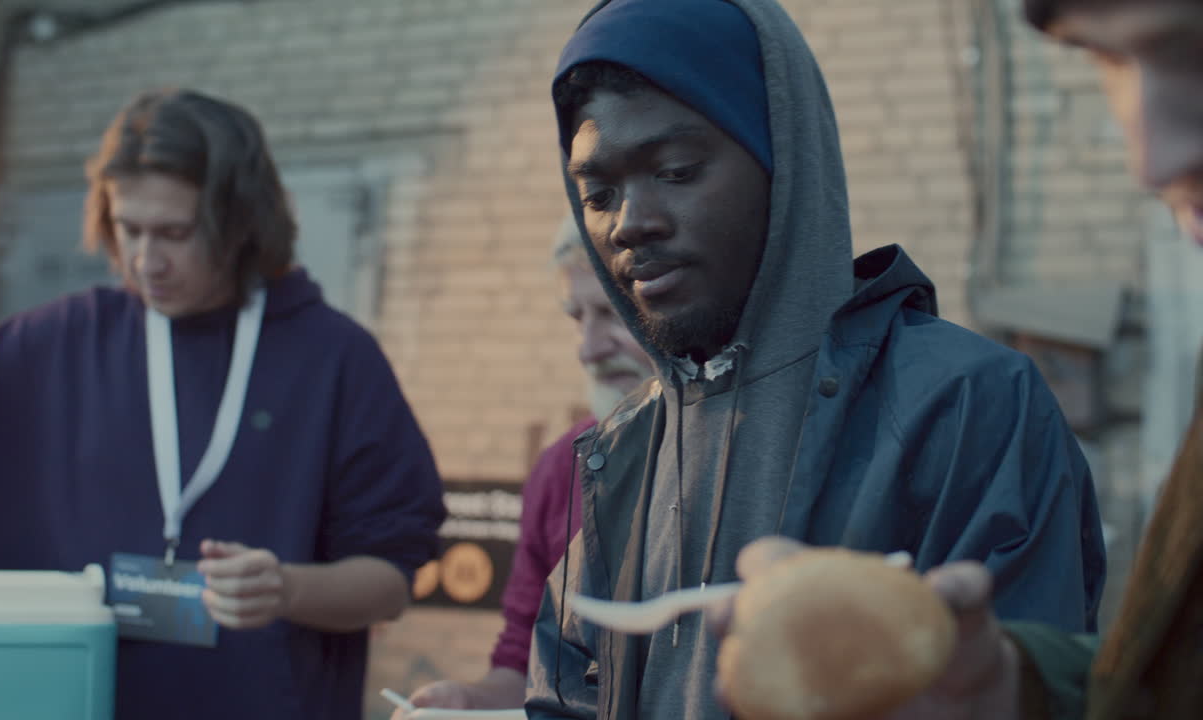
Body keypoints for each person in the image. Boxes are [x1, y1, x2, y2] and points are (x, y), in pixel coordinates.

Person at [525, 1, 1108, 718]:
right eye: (598, 193)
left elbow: (1021, 687)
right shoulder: (624, 451)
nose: (630, 222)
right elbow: (564, 695)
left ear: (784, 162)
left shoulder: (967, 403)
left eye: (676, 170)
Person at [712, 1, 1203, 719]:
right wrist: (1013, 690)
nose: (1150, 160)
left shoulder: (977, 393)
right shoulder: (615, 449)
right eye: (1107, 61)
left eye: (1191, 52)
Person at [0, 89, 446, 720]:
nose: (147, 260)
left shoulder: (335, 360)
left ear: (241, 220)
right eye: (128, 228)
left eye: (174, 232)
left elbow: (389, 581)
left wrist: (286, 588)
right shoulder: (49, 345)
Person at [392, 220, 655, 717]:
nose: (588, 348)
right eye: (578, 319)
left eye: (612, 313)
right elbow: (523, 661)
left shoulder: (742, 456)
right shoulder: (562, 468)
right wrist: (469, 702)